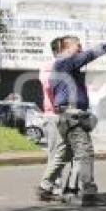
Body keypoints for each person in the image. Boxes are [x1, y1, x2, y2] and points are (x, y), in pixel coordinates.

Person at [38, 34, 106, 206]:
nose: (80, 49)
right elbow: (90, 54)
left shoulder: (60, 68)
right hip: (73, 116)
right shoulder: (65, 61)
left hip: (65, 116)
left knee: (63, 154)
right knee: (85, 153)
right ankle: (89, 194)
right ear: (66, 49)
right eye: (77, 46)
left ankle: (44, 189)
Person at [36, 37, 72, 200]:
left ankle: (66, 186)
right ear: (58, 50)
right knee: (55, 154)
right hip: (53, 115)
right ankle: (52, 186)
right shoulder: (48, 67)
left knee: (66, 153)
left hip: (67, 115)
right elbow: (49, 86)